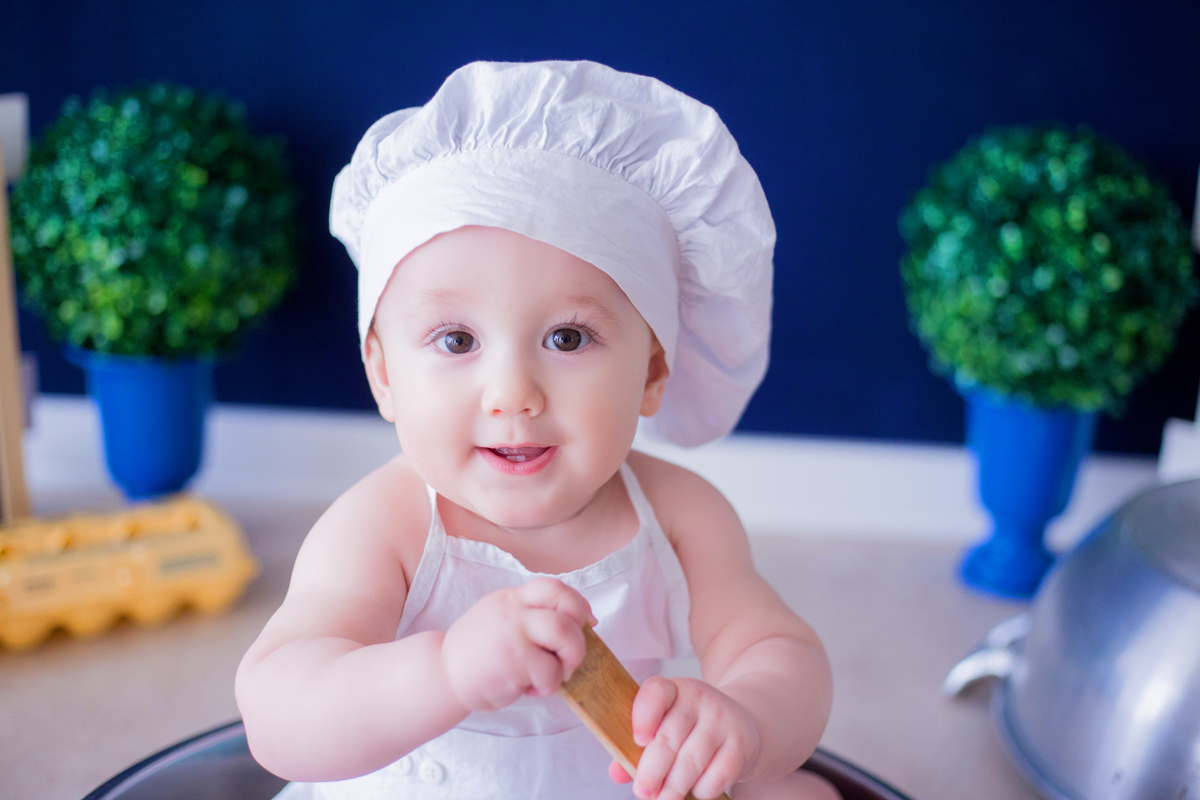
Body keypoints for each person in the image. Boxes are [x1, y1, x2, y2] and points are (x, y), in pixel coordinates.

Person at [236, 60, 837, 800]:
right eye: (457, 340)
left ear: (652, 372)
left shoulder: (681, 517)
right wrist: (446, 671)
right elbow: (279, 714)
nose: (513, 394)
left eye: (568, 338)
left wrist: (745, 719)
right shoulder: (384, 528)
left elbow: (779, 650)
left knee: (800, 793)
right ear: (386, 375)